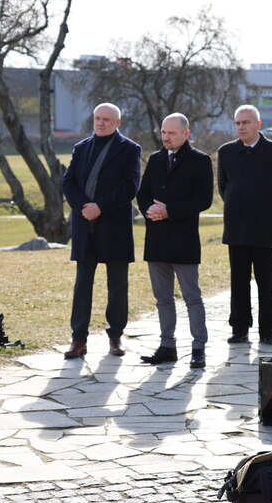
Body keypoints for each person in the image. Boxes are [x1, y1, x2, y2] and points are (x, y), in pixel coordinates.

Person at [62, 102, 141, 359]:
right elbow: (69, 182)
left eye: (107, 119)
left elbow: (130, 186)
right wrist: (84, 207)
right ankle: (78, 340)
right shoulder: (81, 147)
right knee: (82, 285)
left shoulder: (130, 149)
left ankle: (116, 337)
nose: (101, 122)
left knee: (117, 286)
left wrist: (100, 207)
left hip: (114, 227)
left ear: (117, 123)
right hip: (85, 226)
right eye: (98, 118)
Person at [136, 113, 213, 369]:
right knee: (162, 298)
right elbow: (143, 193)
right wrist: (150, 211)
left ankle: (198, 347)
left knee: (192, 297)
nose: (166, 137)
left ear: (185, 133)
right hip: (157, 239)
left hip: (184, 240)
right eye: (163, 132)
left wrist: (169, 210)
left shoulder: (200, 161)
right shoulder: (156, 159)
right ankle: (167, 346)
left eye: (171, 133)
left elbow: (203, 200)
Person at [218, 105, 272, 345]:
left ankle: (268, 331)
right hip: (236, 228)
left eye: (246, 122)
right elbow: (224, 187)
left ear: (258, 124)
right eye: (238, 123)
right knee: (238, 281)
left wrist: (269, 210)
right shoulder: (226, 152)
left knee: (266, 281)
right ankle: (239, 328)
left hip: (265, 229)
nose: (241, 127)